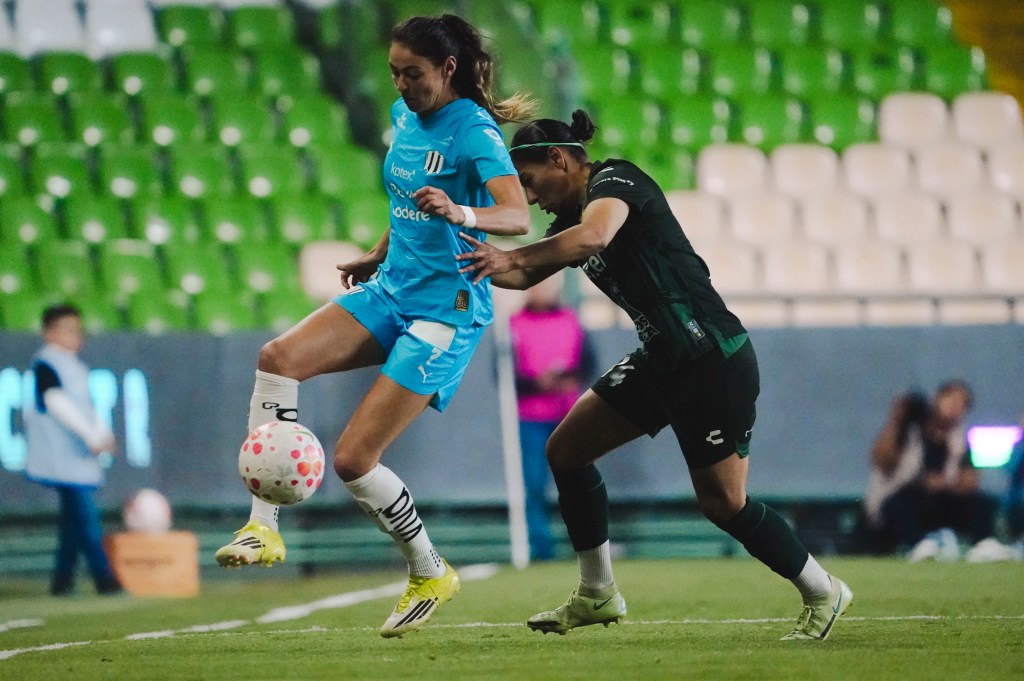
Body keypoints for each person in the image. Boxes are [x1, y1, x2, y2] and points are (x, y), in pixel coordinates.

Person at [455, 110, 852, 641]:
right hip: (662, 357)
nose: (527, 197)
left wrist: (513, 255)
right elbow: (523, 271)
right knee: (566, 451)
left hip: (711, 356)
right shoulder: (565, 224)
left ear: (559, 158)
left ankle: (824, 590)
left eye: (528, 181)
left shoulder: (617, 180)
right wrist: (462, 254)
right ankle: (597, 593)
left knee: (723, 503)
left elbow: (593, 238)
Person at [214, 14, 535, 638]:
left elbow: (518, 216)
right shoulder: (404, 118)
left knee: (355, 459)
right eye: (393, 72)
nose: (401, 85)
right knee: (278, 358)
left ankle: (429, 570)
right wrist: (380, 250)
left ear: (446, 69)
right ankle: (263, 529)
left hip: (446, 312)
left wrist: (462, 210)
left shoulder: (474, 131)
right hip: (392, 291)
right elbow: (408, 198)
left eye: (412, 74)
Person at [23, 303, 122, 596]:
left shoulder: (74, 365)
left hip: (75, 456)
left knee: (72, 524)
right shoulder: (47, 363)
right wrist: (93, 436)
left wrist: (100, 433)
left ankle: (62, 581)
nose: (76, 336)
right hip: (61, 456)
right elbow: (57, 404)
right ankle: (105, 579)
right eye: (68, 329)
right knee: (86, 520)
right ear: (48, 332)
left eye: (78, 330)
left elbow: (87, 407)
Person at [510, 274, 595, 560]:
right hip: (530, 419)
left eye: (545, 284)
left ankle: (586, 545)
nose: (540, 290)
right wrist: (538, 384)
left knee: (577, 483)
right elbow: (505, 378)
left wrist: (568, 380)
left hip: (568, 416)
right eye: (535, 284)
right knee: (534, 485)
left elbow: (587, 364)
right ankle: (541, 549)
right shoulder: (513, 326)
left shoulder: (571, 321)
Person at [863, 381, 997, 557]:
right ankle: (918, 546)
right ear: (937, 398)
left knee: (981, 503)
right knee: (903, 504)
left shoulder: (958, 439)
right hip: (901, 498)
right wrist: (897, 420)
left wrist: (950, 483)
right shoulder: (910, 430)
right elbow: (881, 460)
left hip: (941, 499)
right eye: (951, 399)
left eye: (962, 403)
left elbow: (969, 478)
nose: (955, 407)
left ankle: (983, 546)